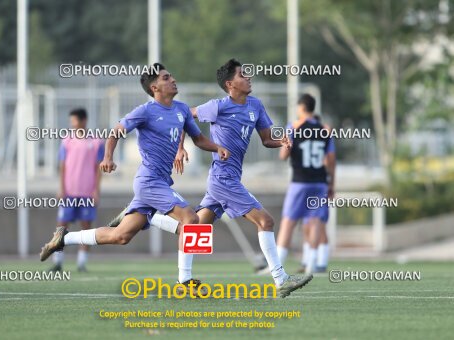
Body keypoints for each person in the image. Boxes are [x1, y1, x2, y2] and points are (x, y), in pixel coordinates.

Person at [40, 63, 230, 289]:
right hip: (148, 182)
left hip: (159, 182)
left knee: (121, 236)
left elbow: (198, 139)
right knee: (191, 219)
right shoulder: (145, 111)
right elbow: (115, 132)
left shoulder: (181, 110)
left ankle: (64, 238)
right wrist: (108, 157)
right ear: (155, 87)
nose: (173, 79)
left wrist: (216, 147)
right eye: (166, 77)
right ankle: (184, 280)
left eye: (171, 76)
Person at [133, 59, 313, 297]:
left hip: (229, 177)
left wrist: (282, 141)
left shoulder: (256, 106)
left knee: (196, 229)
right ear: (230, 84)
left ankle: (150, 218)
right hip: (222, 179)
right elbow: (183, 117)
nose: (248, 78)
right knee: (266, 221)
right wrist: (179, 147)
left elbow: (267, 139)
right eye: (242, 75)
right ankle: (281, 280)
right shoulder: (217, 106)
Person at [274, 94, 335, 274]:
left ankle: (277, 265)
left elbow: (283, 156)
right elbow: (331, 160)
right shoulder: (325, 130)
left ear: (301, 107)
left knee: (288, 222)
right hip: (320, 182)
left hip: (299, 181)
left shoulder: (293, 127)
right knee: (315, 222)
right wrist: (331, 183)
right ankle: (311, 263)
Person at [51, 108, 104, 272]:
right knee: (61, 226)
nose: (72, 124)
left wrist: (96, 190)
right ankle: (57, 261)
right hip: (69, 192)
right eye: (71, 121)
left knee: (86, 228)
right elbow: (62, 166)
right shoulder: (66, 140)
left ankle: (81, 263)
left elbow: (98, 168)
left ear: (83, 121)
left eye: (74, 121)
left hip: (87, 193)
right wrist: (61, 188)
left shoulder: (96, 142)